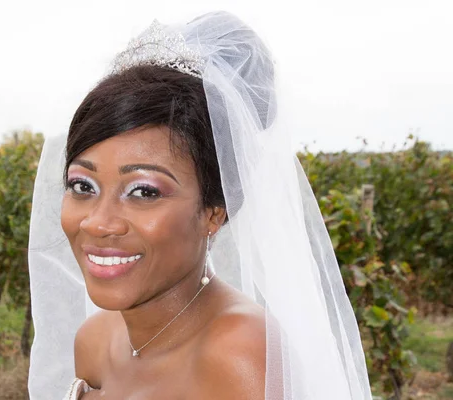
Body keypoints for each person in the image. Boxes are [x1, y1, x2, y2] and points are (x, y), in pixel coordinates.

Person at [28, 11, 373, 400]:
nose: (97, 223)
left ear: (214, 212)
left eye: (144, 192)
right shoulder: (93, 341)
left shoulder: (241, 357)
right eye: (82, 185)